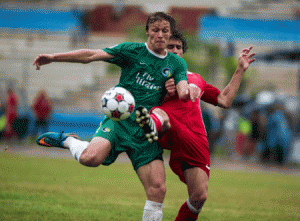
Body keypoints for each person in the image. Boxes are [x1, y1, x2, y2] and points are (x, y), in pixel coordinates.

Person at [33, 12, 199, 221]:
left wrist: (188, 90)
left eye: (165, 31)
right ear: (147, 31)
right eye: (155, 30)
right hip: (118, 122)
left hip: (146, 129)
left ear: (170, 34)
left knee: (158, 189)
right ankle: (69, 140)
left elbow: (184, 89)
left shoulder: (176, 63)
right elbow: (91, 55)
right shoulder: (131, 51)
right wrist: (54, 58)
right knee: (90, 158)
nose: (160, 35)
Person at [135, 31, 255, 220]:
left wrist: (240, 69)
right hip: (169, 127)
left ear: (183, 52)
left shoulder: (196, 78)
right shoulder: (153, 76)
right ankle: (151, 124)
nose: (175, 50)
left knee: (199, 196)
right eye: (170, 46)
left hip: (195, 137)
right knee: (161, 115)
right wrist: (163, 91)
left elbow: (223, 100)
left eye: (178, 47)